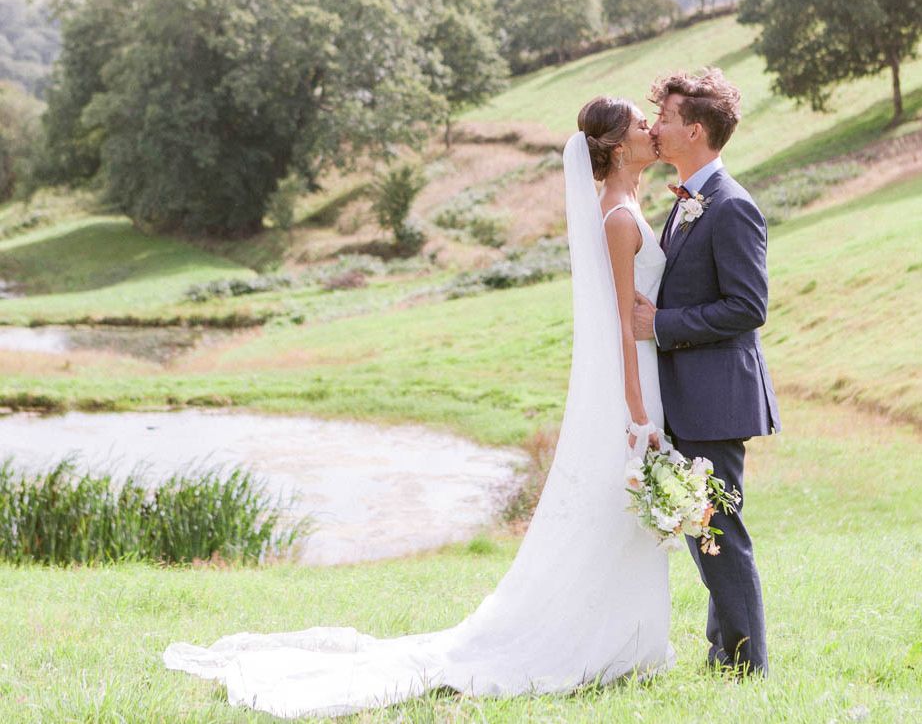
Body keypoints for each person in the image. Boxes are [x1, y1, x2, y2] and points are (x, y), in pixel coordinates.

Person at [163, 97, 673, 719]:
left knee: (617, 510)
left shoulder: (635, 204)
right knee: (612, 505)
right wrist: (636, 409)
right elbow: (621, 322)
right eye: (644, 127)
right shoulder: (619, 216)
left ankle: (629, 637)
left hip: (643, 373)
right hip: (631, 383)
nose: (654, 132)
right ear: (619, 146)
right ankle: (599, 641)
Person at [632, 67, 780, 677]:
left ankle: (748, 667)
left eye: (664, 119)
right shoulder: (690, 202)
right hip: (693, 395)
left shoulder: (731, 207)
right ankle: (728, 655)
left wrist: (661, 325)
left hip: (717, 396)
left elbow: (749, 307)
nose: (655, 127)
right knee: (707, 529)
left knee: (718, 530)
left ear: (694, 130)